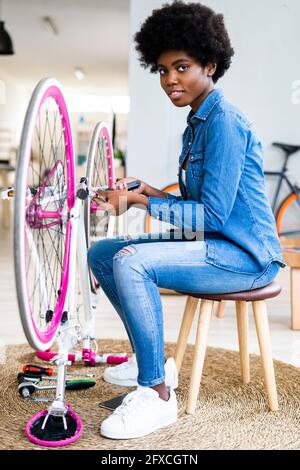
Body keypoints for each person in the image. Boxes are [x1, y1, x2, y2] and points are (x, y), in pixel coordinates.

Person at [88, 1, 285, 440]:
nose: (170, 79)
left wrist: (140, 203)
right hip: (215, 243)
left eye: (181, 67)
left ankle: (157, 394)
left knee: (133, 261)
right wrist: (144, 189)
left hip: (246, 257)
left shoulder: (225, 123)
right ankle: (151, 358)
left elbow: (211, 216)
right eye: (161, 70)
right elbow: (198, 206)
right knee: (103, 252)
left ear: (210, 64)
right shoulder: (197, 121)